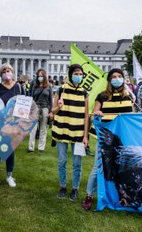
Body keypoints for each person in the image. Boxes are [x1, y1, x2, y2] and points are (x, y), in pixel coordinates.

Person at [81, 68, 134, 210]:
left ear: (123, 78)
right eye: (114, 77)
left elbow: (131, 118)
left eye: (119, 76)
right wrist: (97, 113)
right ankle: (89, 195)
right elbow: (92, 116)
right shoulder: (102, 96)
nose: (117, 79)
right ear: (109, 80)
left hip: (123, 138)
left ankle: (119, 196)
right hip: (106, 138)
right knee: (98, 167)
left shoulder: (128, 96)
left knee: (120, 168)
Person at [51, 64, 89, 201]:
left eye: (80, 74)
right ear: (70, 74)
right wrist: (59, 107)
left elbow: (86, 115)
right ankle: (62, 186)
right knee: (62, 161)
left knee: (77, 163)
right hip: (61, 131)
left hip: (78, 134)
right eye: (76, 73)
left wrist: (86, 135)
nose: (78, 76)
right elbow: (52, 113)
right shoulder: (60, 90)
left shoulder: (85, 93)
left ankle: (75, 188)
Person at [0, 63, 25, 189]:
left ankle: (9, 175)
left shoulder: (20, 88)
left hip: (14, 123)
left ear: (12, 72)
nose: (7, 72)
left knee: (11, 149)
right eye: (4, 71)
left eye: (9, 70)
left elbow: (24, 106)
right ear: (1, 74)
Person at [28, 69, 52, 152]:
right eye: (39, 76)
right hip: (35, 108)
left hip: (45, 108)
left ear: (44, 76)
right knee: (33, 128)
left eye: (42, 76)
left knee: (43, 128)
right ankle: (31, 147)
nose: (40, 77)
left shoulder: (49, 86)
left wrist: (51, 112)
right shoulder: (34, 85)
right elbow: (31, 98)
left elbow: (50, 100)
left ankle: (41, 147)